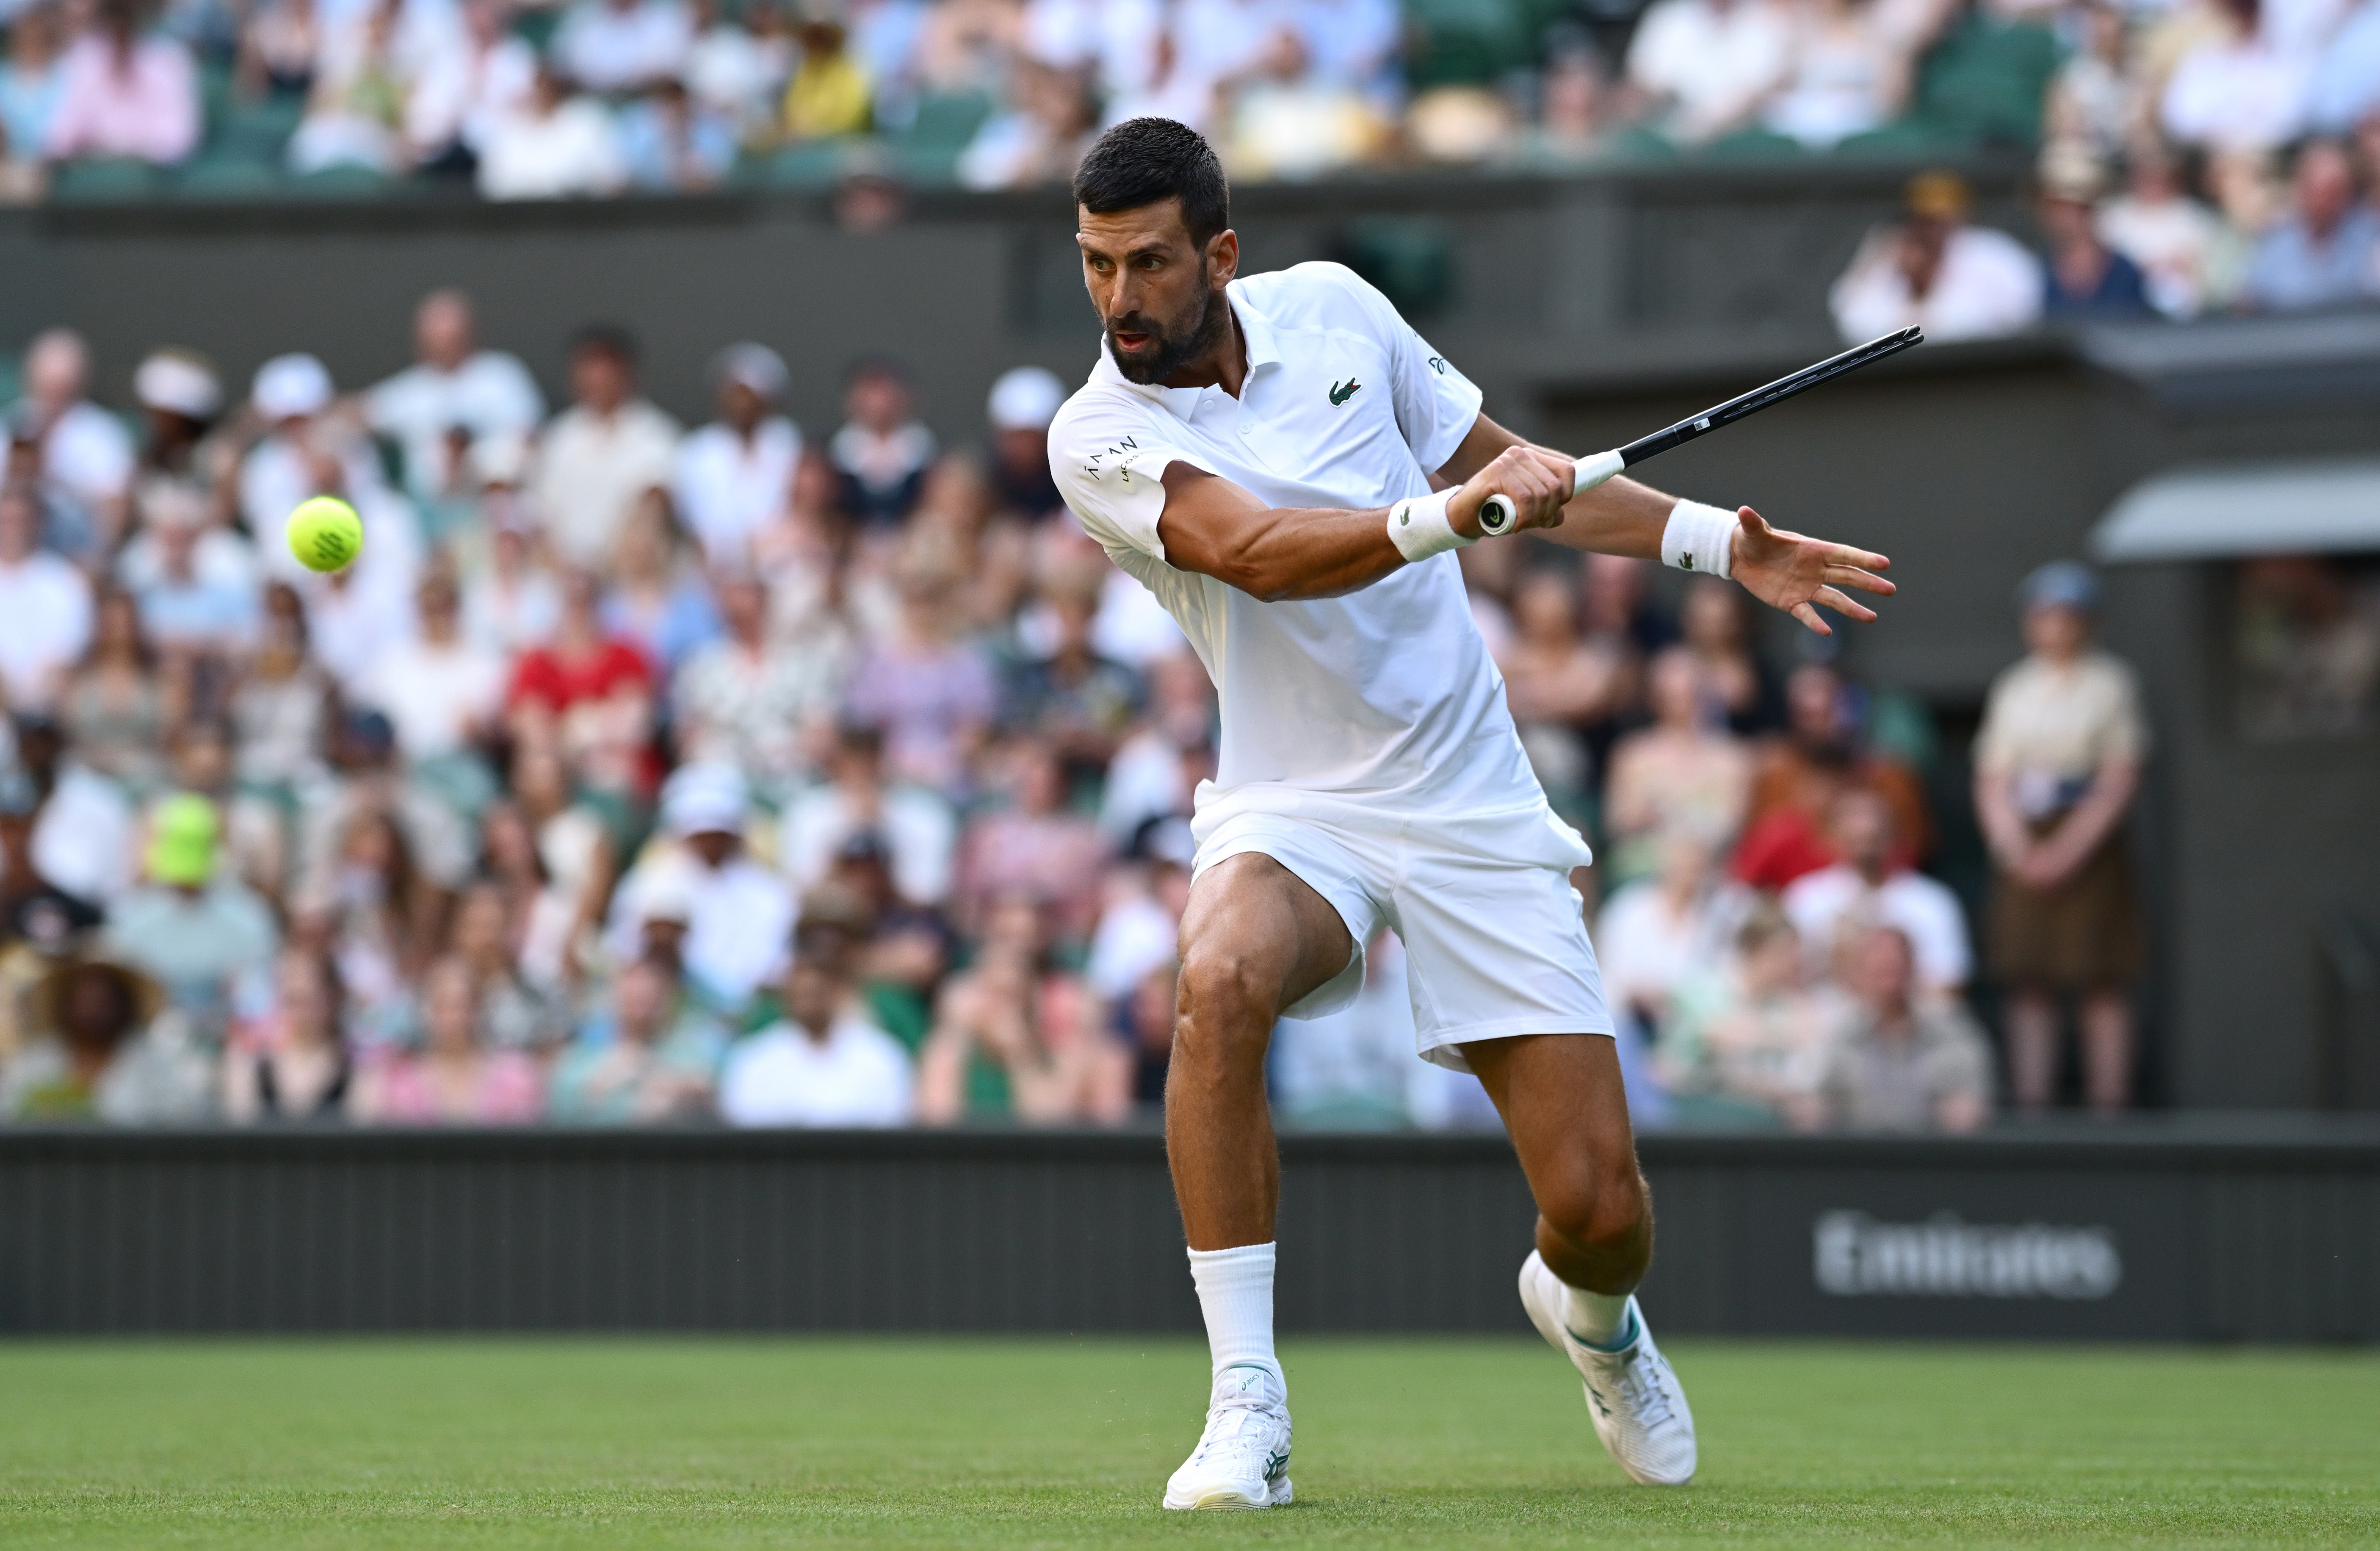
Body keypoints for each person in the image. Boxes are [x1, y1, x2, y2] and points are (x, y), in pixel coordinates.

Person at [1042, 119, 1893, 1507]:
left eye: (1145, 263)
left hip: (1470, 803)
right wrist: (1454, 513)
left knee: (1604, 1216)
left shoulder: (1337, 313)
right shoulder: (1098, 432)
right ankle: (1244, 1402)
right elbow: (1256, 558)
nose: (1118, 299)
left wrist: (1716, 548)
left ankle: (1590, 1317)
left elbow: (1525, 479)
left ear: (1221, 254)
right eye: (1093, 264)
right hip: (1292, 804)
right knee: (1218, 972)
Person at [1973, 560, 2147, 1115]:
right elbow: (1992, 778)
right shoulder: (2014, 686)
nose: (2055, 625)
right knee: (2028, 975)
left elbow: (2119, 777)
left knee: (2100, 975)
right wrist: (2016, 848)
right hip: (2026, 839)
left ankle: (2108, 1105)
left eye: (2067, 614)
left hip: (2085, 843)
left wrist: (2069, 850)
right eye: (2044, 613)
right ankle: (2032, 1105)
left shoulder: (2109, 683)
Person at [718, 921, 913, 1126]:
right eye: (803, 994)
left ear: (839, 991)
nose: (811, 1002)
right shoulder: (753, 1059)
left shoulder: (883, 1057)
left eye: (818, 993)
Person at [1781, 786, 1969, 997]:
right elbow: (1789, 976)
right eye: (1855, 840)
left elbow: (1948, 983)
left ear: (1895, 837)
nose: (1866, 850)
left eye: (1874, 839)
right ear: (1832, 838)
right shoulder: (1806, 898)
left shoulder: (1931, 901)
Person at [363, 289, 546, 505]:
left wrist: (468, 460)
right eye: (435, 340)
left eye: (452, 339)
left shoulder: (501, 376)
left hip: (494, 505)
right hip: (424, 513)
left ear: (469, 335)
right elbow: (360, 412)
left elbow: (529, 437)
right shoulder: (411, 388)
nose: (444, 348)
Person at [1808, 925, 1992, 1133]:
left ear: (1912, 969)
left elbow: (1973, 1093)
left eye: (1896, 969)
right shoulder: (1838, 1032)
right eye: (1881, 971)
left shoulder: (1950, 1030)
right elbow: (1813, 1094)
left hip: (1932, 1154)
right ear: (1860, 974)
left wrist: (1965, 1110)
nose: (1889, 982)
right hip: (1855, 1154)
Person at [1830, 170, 2046, 343]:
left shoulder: (1994, 252)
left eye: (1945, 214)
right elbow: (1850, 317)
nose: (1937, 225)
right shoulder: (1890, 250)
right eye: (1928, 216)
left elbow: (2024, 315)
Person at [531, 325, 680, 568]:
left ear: (628, 372)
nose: (599, 377)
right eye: (589, 365)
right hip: (567, 579)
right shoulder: (558, 438)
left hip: (629, 578)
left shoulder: (657, 437)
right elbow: (540, 515)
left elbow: (654, 508)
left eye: (608, 366)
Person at [351, 956, 543, 1124]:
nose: (454, 1018)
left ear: (479, 1009)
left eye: (463, 1006)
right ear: (425, 1012)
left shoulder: (514, 1073)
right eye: (442, 1007)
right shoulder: (399, 1076)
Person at [548, 949, 725, 1122]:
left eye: (648, 1000)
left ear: (666, 1001)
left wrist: (655, 1077)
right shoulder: (585, 1052)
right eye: (633, 1000)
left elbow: (705, 1092)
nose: (640, 1012)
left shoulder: (690, 1051)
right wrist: (603, 1082)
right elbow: (562, 1105)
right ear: (615, 998)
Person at [669, 343, 802, 564]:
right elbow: (688, 520)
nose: (742, 404)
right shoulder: (695, 451)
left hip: (782, 563)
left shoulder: (793, 446)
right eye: (735, 394)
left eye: (750, 395)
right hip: (709, 568)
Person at [41, 0, 201, 165]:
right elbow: (60, 136)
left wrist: (121, 148)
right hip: (95, 172)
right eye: (115, 15)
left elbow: (179, 138)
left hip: (150, 177)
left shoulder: (168, 58)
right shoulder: (84, 58)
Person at [2240, 138, 2380, 311]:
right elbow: (2248, 302)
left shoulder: (2372, 239)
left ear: (2349, 192)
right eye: (2314, 189)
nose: (2322, 200)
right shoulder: (2275, 241)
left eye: (2332, 191)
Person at [221, 949, 352, 1122]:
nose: (301, 1012)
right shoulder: (250, 1067)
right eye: (291, 1000)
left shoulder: (358, 1069)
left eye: (308, 1000)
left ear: (332, 998)